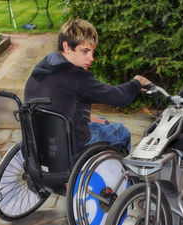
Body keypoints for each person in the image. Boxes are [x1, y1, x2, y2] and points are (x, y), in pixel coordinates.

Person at [24, 19, 151, 153]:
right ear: (66, 47)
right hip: (71, 146)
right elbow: (119, 97)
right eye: (85, 51)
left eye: (92, 52)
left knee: (101, 121)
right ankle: (117, 171)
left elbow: (60, 105)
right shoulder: (77, 77)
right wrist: (136, 83)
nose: (91, 58)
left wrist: (90, 118)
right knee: (121, 132)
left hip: (42, 144)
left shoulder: (40, 71)